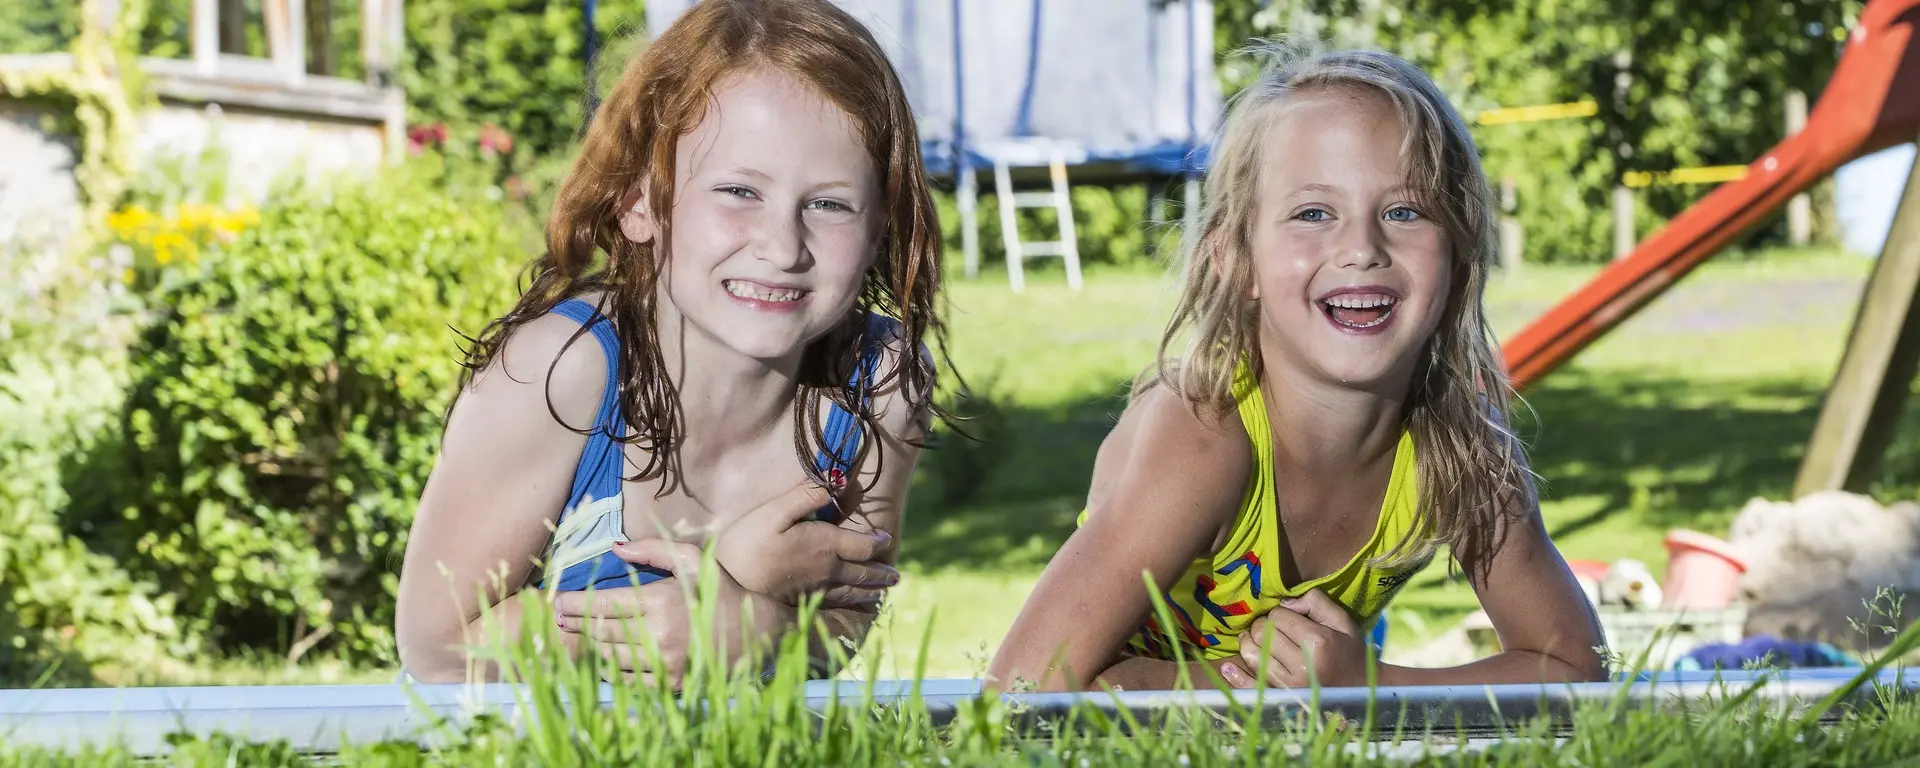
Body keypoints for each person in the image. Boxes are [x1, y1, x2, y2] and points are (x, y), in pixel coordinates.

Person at [987, 43, 1606, 692]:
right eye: (1314, 213)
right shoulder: (1206, 434)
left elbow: (1573, 666)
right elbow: (1021, 685)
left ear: (1458, 253)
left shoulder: (1457, 446)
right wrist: (1266, 692)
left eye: (1404, 211)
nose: (1361, 249)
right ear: (1235, 259)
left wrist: (1365, 683)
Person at [395, 0, 947, 687]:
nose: (782, 246)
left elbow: (842, 623)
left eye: (830, 204)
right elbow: (440, 648)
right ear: (639, 202)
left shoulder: (881, 385)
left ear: (879, 230)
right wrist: (728, 583)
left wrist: (759, 629)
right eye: (739, 190)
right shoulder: (559, 372)